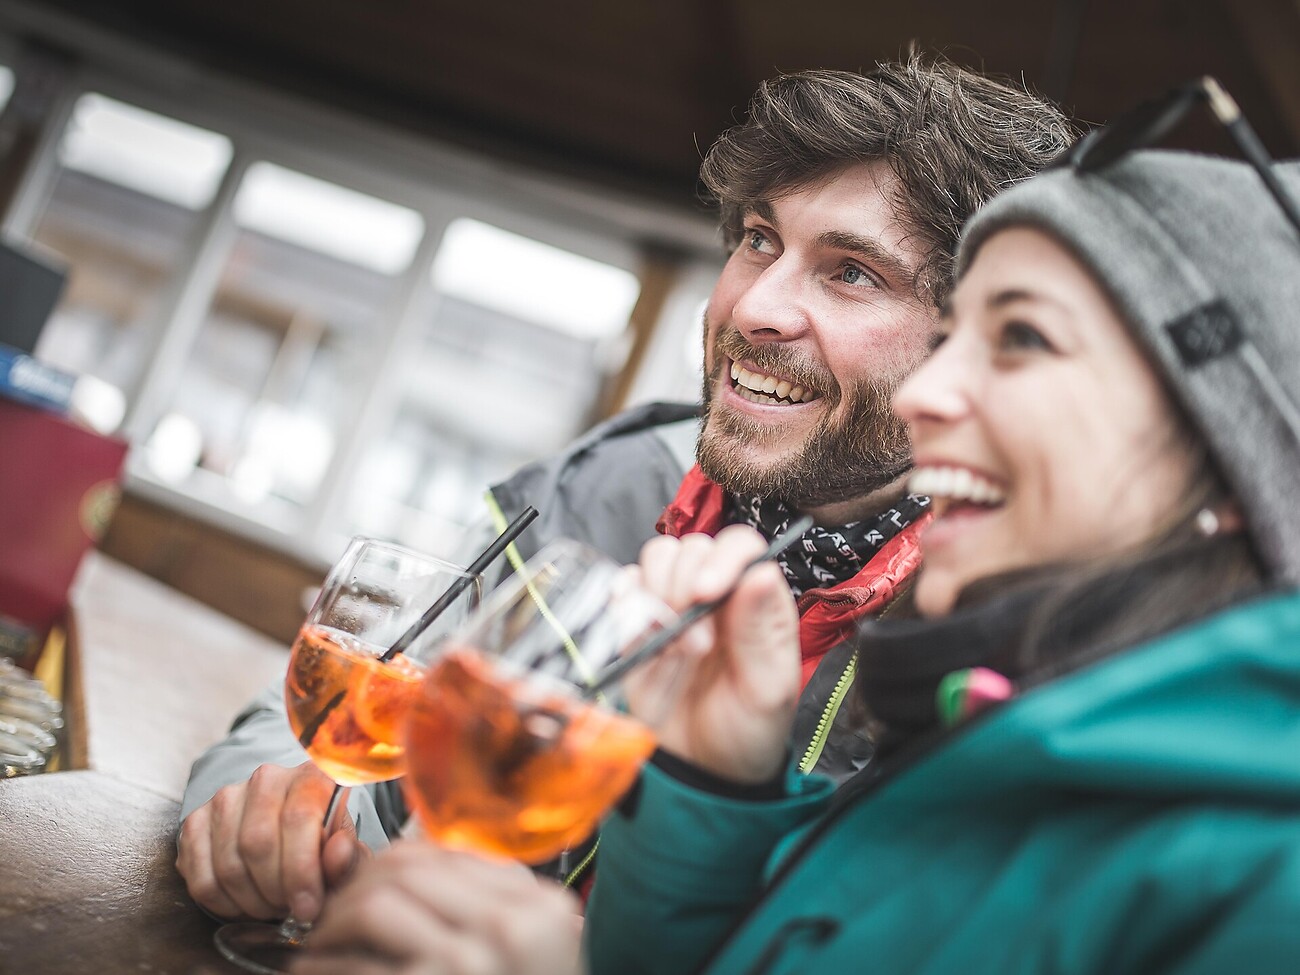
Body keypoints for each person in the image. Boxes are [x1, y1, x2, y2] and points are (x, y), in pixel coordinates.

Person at [292, 146, 1300, 974]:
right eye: (756, 239)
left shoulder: (1264, 881)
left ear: (1234, 458)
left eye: (1023, 336)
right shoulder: (993, 717)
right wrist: (716, 788)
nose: (925, 396)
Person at [176, 54, 1073, 924]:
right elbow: (350, 717)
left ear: (972, 345)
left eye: (851, 272)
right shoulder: (605, 483)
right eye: (759, 239)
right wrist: (276, 810)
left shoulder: (1009, 652)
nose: (754, 306)